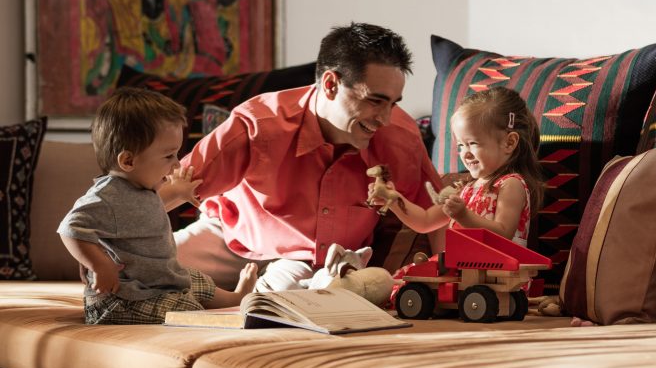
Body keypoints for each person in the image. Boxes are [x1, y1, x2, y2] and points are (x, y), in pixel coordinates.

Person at [174, 23, 442, 291]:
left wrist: (448, 281)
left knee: (280, 305)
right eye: (375, 101)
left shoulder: (401, 139)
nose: (384, 119)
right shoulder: (260, 124)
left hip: (312, 265)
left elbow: (439, 215)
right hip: (230, 239)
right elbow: (164, 188)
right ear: (330, 85)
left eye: (393, 103)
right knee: (141, 268)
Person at [58, 88, 258, 325]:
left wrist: (180, 192)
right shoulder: (107, 197)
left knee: (194, 279)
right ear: (128, 161)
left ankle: (236, 298)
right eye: (168, 156)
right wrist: (100, 265)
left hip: (154, 282)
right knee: (185, 307)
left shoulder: (141, 187)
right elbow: (70, 228)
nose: (176, 164)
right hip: (121, 299)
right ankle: (214, 313)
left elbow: (147, 210)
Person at [371, 86, 544, 246]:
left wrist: (463, 215)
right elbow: (425, 221)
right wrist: (393, 200)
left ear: (509, 142)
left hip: (499, 276)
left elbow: (503, 235)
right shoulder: (466, 189)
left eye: (473, 143)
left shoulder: (511, 185)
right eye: (461, 145)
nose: (465, 153)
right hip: (465, 272)